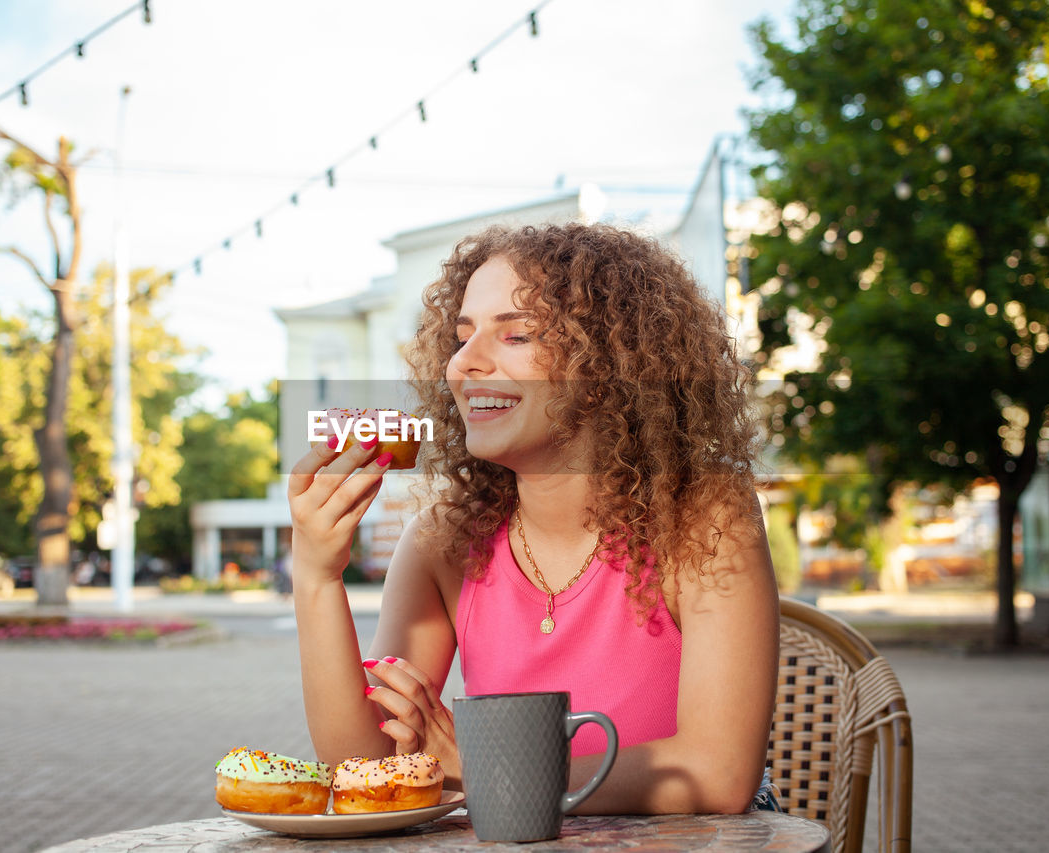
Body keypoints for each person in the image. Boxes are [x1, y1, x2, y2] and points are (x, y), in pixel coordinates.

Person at [289, 222, 779, 814]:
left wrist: (485, 766)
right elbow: (367, 771)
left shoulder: (704, 513)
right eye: (461, 337)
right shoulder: (443, 544)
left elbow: (717, 775)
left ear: (609, 366)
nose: (464, 364)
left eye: (516, 334)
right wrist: (316, 577)